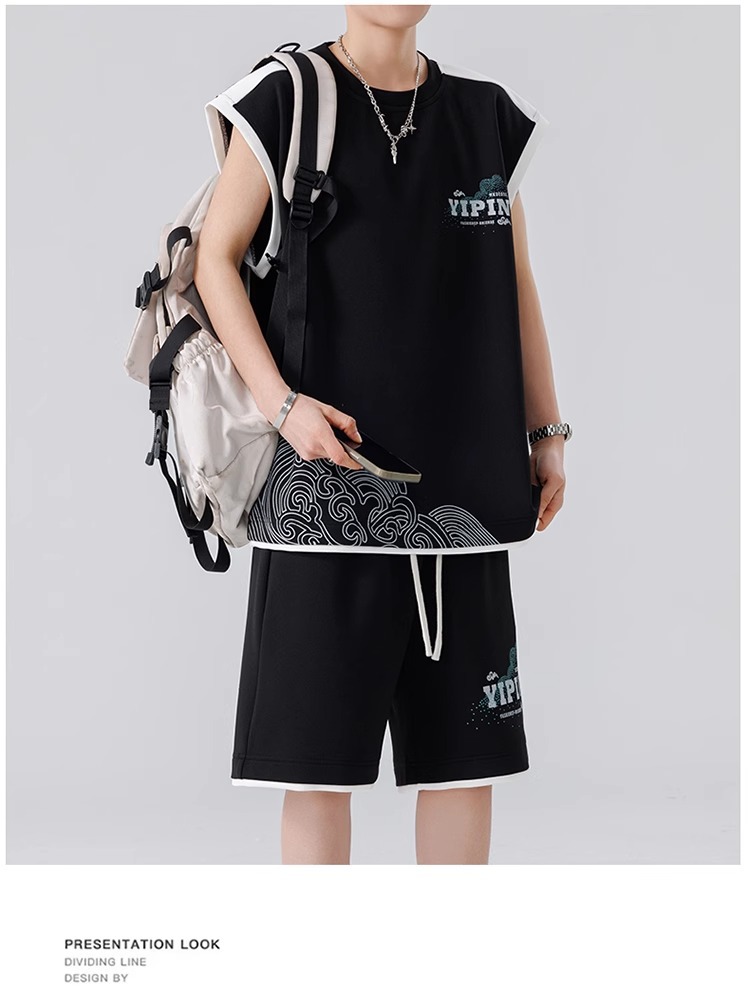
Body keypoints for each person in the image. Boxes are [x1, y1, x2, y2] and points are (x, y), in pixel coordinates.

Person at [194, 5, 569, 865]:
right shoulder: (284, 99)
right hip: (322, 498)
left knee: (463, 769)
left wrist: (545, 428)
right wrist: (283, 405)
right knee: (316, 775)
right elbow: (216, 258)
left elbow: (516, 281)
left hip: (465, 506)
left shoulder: (485, 117)